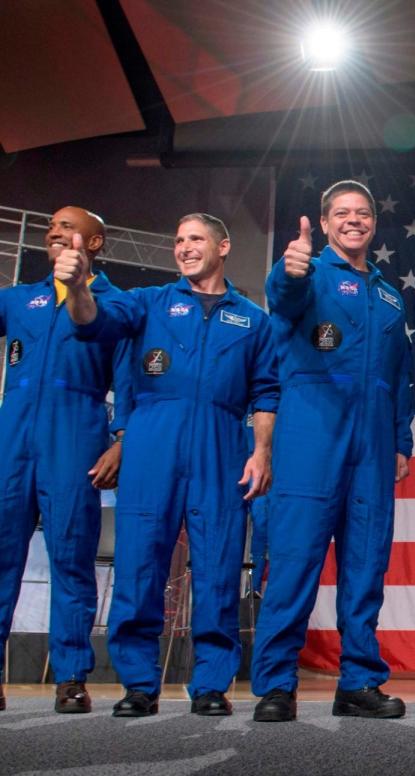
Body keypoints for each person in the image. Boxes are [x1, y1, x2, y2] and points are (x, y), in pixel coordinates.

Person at [61, 213, 278, 717]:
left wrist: (261, 451)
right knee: (139, 564)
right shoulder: (147, 303)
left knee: (219, 568)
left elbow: (267, 391)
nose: (183, 247)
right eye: (178, 240)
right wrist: (75, 287)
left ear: (222, 246)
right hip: (152, 442)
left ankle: (210, 686)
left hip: (222, 444)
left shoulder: (253, 319)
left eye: (195, 239)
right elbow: (92, 318)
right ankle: (139, 684)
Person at [250, 180, 414, 722]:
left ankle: (358, 682)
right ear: (323, 223)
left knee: (366, 568)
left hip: (372, 446)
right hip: (311, 438)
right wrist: (289, 270)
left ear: (373, 222)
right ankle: (276, 684)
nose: (353, 220)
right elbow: (284, 295)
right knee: (295, 562)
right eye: (341, 213)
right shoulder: (308, 272)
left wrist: (401, 440)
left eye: (362, 213)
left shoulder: (390, 295)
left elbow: (401, 376)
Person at [0, 206, 130, 714]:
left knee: (72, 562)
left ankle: (71, 677)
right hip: (13, 441)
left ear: (94, 243)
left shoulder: (116, 305)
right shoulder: (19, 300)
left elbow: (133, 382)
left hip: (75, 438)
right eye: (51, 226)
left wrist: (122, 441)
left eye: (67, 226)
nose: (54, 232)